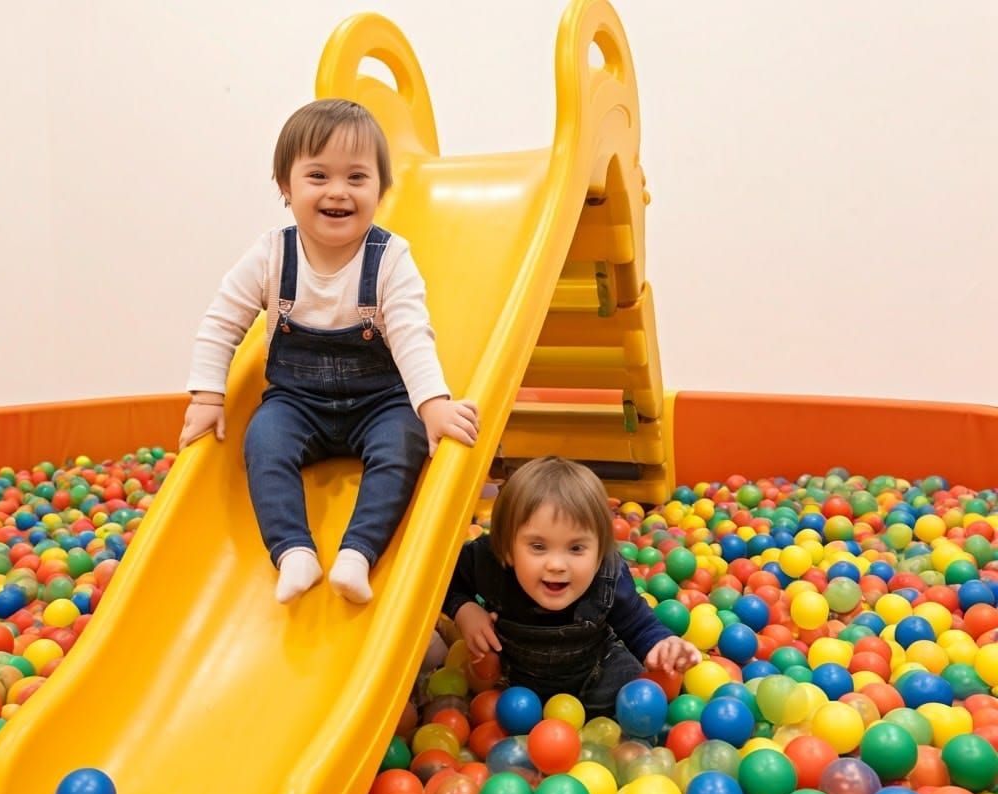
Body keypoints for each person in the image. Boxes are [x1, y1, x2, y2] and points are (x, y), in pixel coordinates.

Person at [180, 99, 478, 603]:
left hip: (377, 403)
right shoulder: (272, 254)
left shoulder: (389, 258)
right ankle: (293, 551)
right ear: (285, 187)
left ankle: (357, 554)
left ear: (380, 191)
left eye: (357, 178)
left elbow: (410, 332)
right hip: (298, 404)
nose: (337, 192)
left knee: (403, 442)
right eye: (318, 175)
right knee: (263, 440)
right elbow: (221, 321)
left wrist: (432, 405)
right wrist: (208, 396)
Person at [443, 456, 701, 718]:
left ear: (599, 552)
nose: (556, 565)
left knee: (636, 692)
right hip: (516, 687)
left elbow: (637, 623)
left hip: (594, 676)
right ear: (507, 548)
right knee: (485, 698)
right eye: (538, 547)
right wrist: (465, 609)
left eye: (576, 548)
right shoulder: (488, 562)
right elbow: (442, 579)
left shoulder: (608, 575)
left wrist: (661, 644)